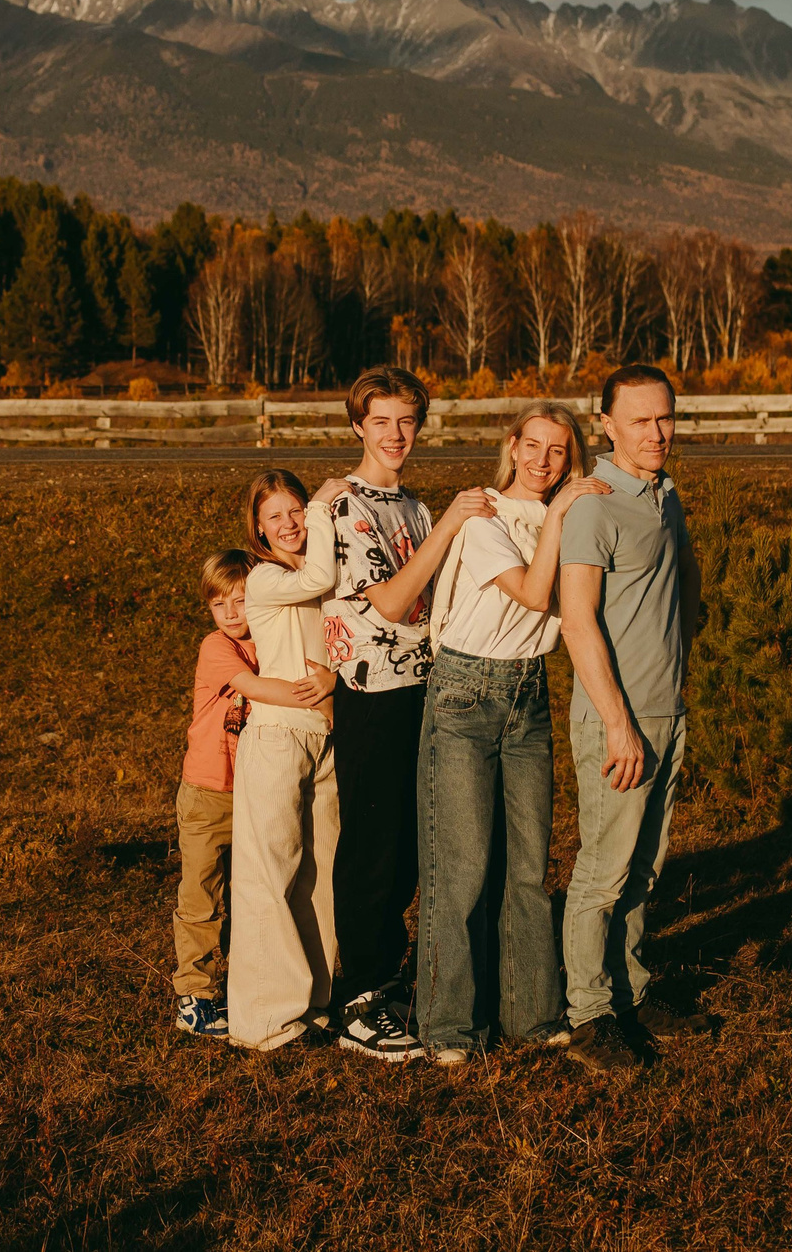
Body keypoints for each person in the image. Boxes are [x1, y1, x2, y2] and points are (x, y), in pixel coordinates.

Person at [412, 402, 608, 1064]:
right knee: (461, 868)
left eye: (558, 450)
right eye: (534, 445)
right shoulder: (486, 514)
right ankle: (448, 1028)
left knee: (527, 867)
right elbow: (530, 591)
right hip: (466, 692)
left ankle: (530, 1013)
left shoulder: (572, 516)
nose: (544, 460)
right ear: (513, 446)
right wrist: (557, 514)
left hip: (528, 693)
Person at [316, 366, 495, 1063]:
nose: (395, 435)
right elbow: (389, 603)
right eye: (381, 421)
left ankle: (390, 981)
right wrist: (452, 520)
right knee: (371, 843)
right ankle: (356, 998)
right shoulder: (345, 509)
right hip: (369, 691)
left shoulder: (415, 508)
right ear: (357, 424)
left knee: (409, 849)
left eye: (407, 421)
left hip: (424, 685)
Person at [556, 364, 703, 1074]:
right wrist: (617, 720)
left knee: (644, 868)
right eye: (640, 420)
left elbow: (683, 586)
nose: (657, 432)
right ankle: (588, 1014)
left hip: (666, 709)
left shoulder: (665, 494)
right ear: (606, 424)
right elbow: (576, 621)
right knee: (603, 873)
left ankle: (632, 989)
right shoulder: (596, 504)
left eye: (666, 417)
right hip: (618, 720)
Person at [227, 468, 350, 1052]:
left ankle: (316, 1001)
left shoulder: (316, 574)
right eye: (274, 516)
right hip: (276, 736)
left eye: (297, 509)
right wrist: (326, 506)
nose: (290, 523)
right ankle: (264, 1022)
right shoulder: (267, 579)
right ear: (258, 528)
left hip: (324, 736)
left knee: (320, 874)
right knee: (268, 877)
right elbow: (322, 573)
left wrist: (332, 677)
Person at [173, 550, 255, 1040]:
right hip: (206, 792)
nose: (230, 612)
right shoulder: (215, 647)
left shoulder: (270, 641)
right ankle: (194, 995)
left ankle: (243, 985)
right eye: (218, 603)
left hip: (253, 790)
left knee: (249, 896)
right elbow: (257, 689)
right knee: (201, 895)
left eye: (240, 600)